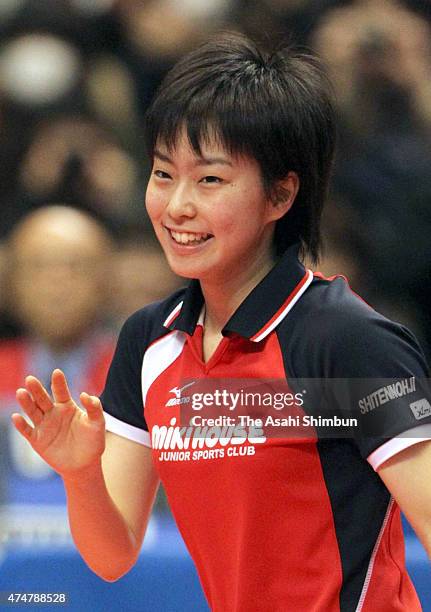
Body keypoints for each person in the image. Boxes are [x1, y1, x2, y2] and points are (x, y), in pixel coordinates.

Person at [11, 33, 431, 611]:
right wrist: (80, 475)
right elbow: (111, 557)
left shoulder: (348, 343)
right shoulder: (149, 342)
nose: (177, 205)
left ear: (281, 195)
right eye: (163, 174)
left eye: (210, 179)